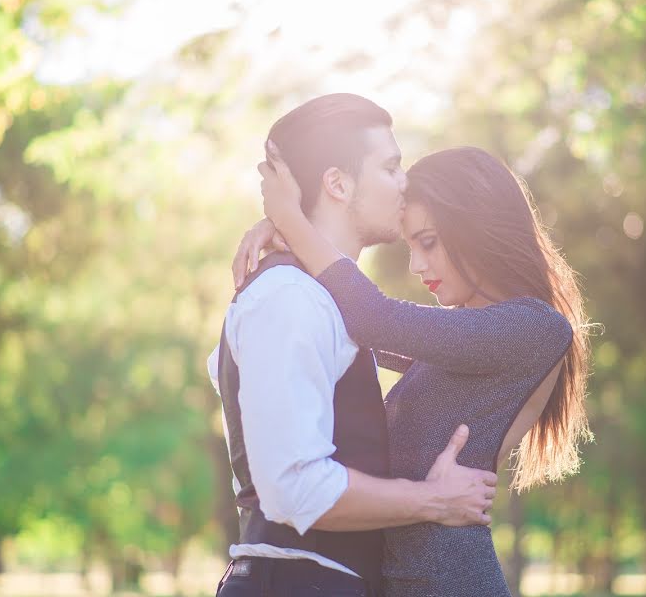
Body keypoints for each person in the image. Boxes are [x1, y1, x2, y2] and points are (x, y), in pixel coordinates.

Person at [235, 143, 592, 596]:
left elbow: (374, 319)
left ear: (477, 226)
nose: (417, 265)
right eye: (411, 246)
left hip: (452, 584)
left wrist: (290, 218)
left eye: (428, 242)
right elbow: (354, 327)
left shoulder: (534, 328)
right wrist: (295, 239)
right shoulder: (466, 345)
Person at [208, 94, 498, 597]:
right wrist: (432, 500)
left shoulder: (324, 301)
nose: (404, 181)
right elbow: (295, 488)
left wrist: (288, 225)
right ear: (338, 183)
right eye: (390, 167)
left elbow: (440, 346)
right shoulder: (290, 298)